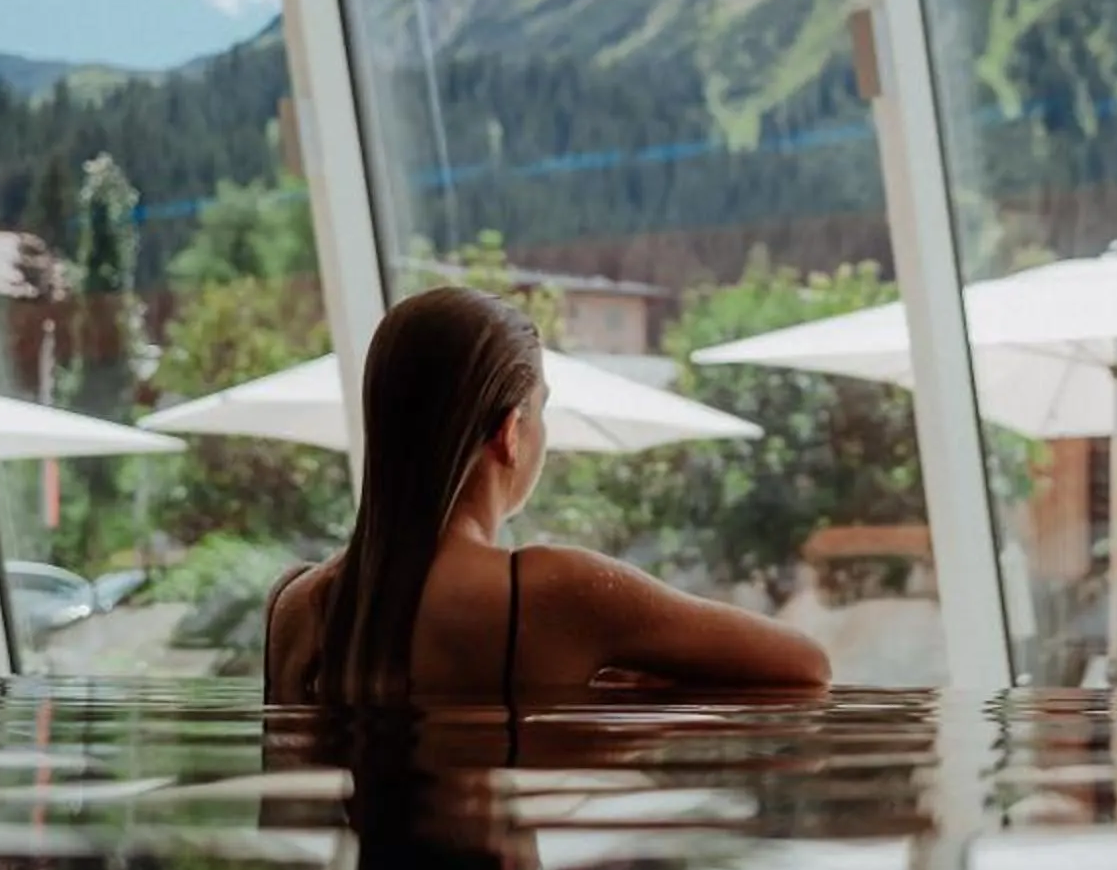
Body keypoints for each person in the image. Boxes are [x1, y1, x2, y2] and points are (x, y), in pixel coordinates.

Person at [264, 286, 831, 704]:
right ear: (511, 432)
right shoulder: (553, 592)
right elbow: (806, 665)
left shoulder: (294, 603)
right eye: (542, 410)